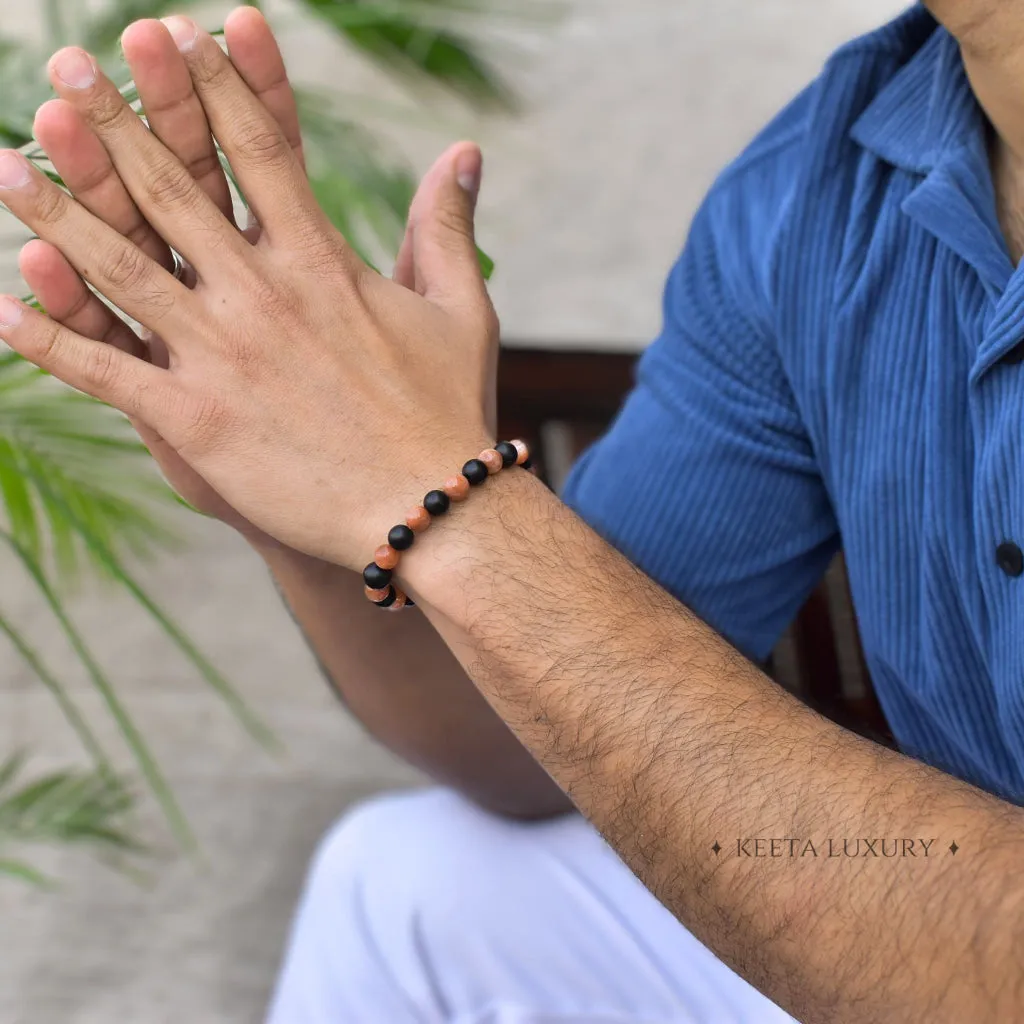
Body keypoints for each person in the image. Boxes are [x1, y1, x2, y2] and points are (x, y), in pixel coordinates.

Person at [3, 0, 1024, 1019]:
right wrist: (316, 503)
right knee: (413, 881)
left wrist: (448, 506)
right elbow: (541, 751)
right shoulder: (819, 177)